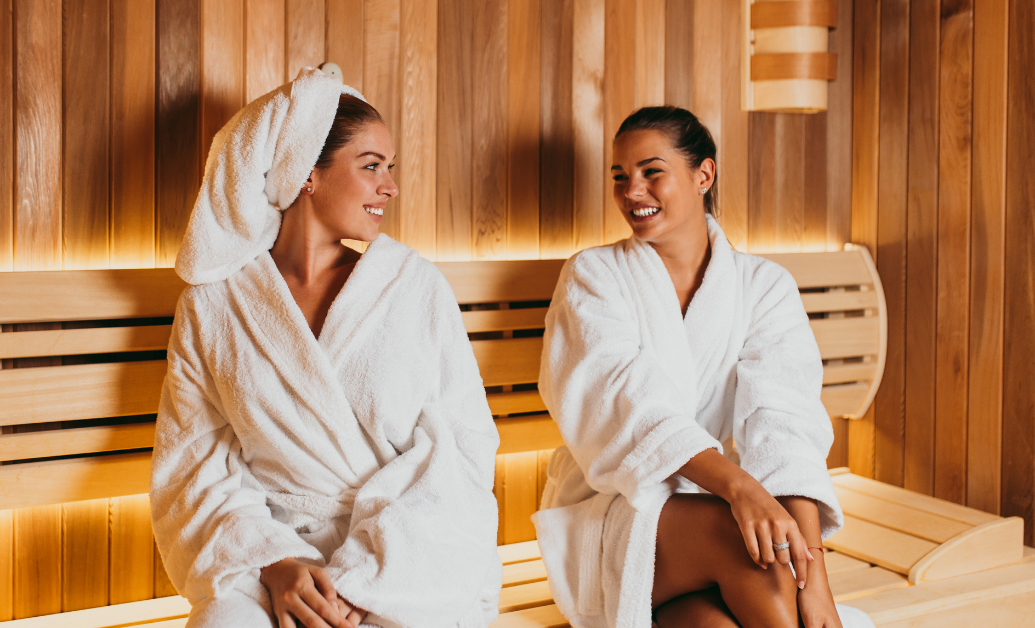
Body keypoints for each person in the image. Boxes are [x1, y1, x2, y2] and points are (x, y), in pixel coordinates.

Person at [150, 69, 502, 628]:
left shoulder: (414, 287)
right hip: (276, 551)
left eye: (391, 169)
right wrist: (273, 564)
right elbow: (193, 462)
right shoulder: (216, 305)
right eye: (370, 167)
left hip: (407, 552)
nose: (389, 187)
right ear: (307, 173)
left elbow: (460, 450)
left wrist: (362, 581)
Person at [533, 106, 873, 628]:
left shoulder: (763, 286)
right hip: (618, 511)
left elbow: (785, 427)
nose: (632, 192)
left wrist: (817, 580)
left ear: (703, 175)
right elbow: (622, 401)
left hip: (729, 519)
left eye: (652, 172)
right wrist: (741, 490)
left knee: (738, 599)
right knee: (751, 544)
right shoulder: (594, 276)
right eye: (621, 177)